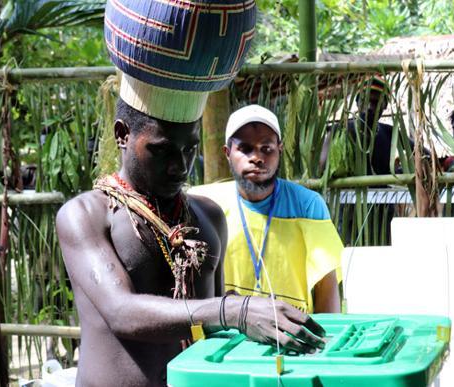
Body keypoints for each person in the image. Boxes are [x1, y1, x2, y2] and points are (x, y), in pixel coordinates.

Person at [57, 97, 327, 386]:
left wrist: (259, 312)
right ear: (123, 135)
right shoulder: (86, 214)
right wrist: (233, 309)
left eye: (189, 149)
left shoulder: (208, 216)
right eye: (161, 150)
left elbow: (212, 320)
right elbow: (121, 311)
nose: (180, 167)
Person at [190, 105, 343, 314]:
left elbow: (326, 286)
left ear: (279, 150)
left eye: (266, 148)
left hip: (294, 336)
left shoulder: (307, 205)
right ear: (227, 153)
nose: (256, 157)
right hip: (226, 337)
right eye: (245, 149)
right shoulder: (205, 203)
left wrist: (327, 341)